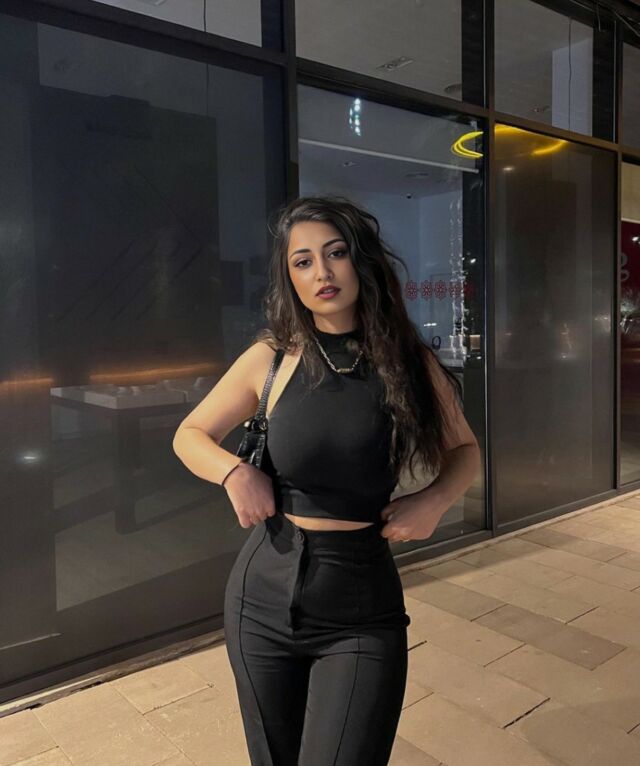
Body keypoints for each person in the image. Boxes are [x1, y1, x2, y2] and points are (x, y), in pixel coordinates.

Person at [172, 195, 481, 766]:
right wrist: (233, 471)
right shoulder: (272, 357)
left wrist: (435, 499)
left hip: (360, 602)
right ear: (290, 277)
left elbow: (464, 450)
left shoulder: (408, 362)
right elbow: (189, 434)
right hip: (261, 594)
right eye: (303, 261)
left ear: (361, 261)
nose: (322, 272)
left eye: (335, 253)